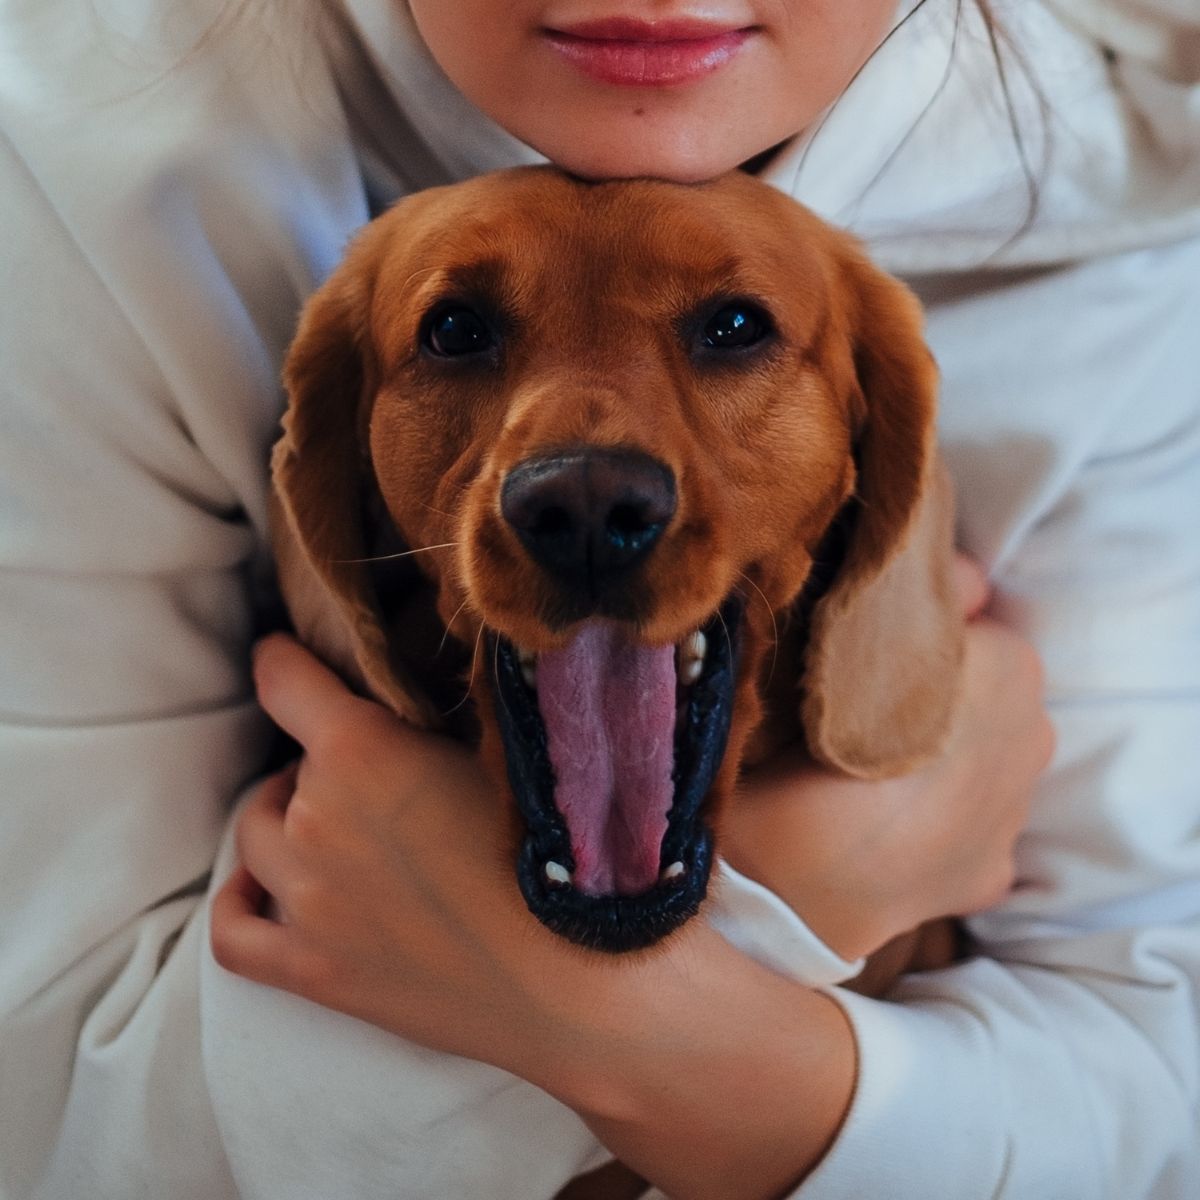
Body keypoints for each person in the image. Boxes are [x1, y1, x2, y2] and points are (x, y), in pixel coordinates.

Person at [1, 1, 1196, 1198]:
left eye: (733, 328)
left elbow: (1156, 1088)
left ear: (871, 451)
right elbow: (59, 1133)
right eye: (459, 333)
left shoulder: (1141, 242)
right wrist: (803, 895)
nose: (585, 483)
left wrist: (659, 1021)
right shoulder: (82, 147)